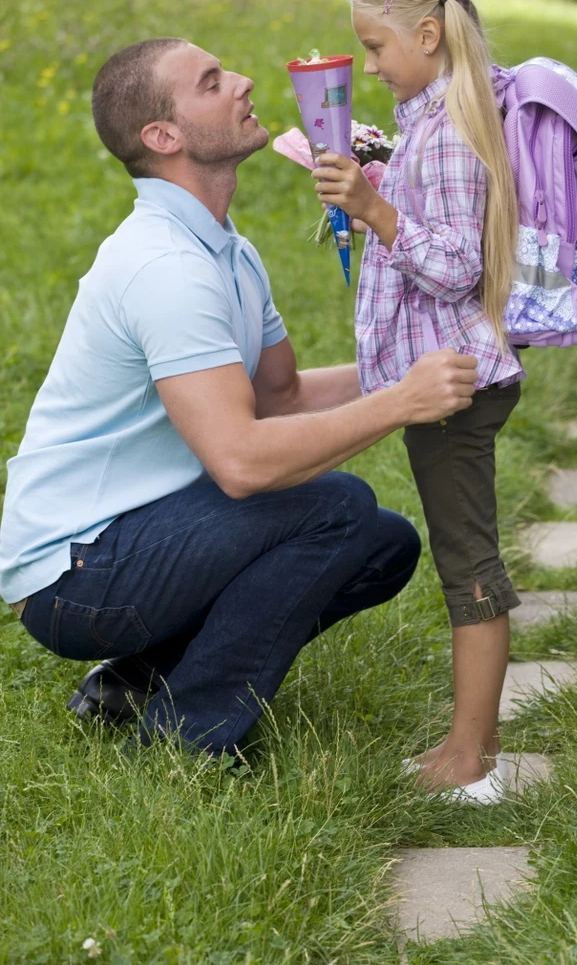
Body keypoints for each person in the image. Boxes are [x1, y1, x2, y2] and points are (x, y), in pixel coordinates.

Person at [0, 37, 480, 758]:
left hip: (134, 537)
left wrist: (417, 362)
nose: (245, 82)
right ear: (163, 137)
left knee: (382, 545)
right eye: (212, 82)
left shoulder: (226, 250)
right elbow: (243, 463)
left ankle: (138, 678)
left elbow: (279, 399)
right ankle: (183, 741)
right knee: (336, 507)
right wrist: (400, 403)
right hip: (77, 573)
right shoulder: (165, 267)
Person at [311, 0, 525, 804]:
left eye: (376, 47)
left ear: (428, 36)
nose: (370, 65)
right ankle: (472, 743)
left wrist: (376, 210)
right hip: (442, 376)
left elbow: (454, 269)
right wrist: (368, 190)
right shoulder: (431, 120)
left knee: (469, 563)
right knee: (460, 553)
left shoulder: (451, 133)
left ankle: (471, 759)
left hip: (455, 385)